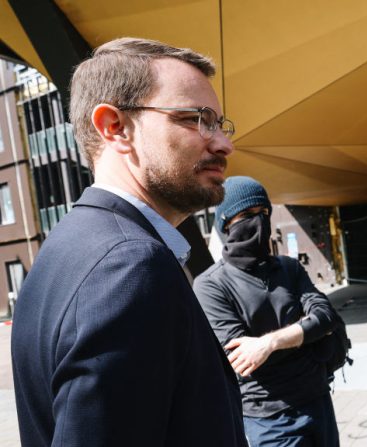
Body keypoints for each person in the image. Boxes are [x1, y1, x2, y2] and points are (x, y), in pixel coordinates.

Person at [11, 38, 246, 446]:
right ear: (115, 127)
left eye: (219, 124)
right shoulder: (129, 268)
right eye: (195, 119)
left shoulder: (69, 246)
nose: (224, 143)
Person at [194, 176, 342, 447]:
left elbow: (326, 316)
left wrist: (268, 343)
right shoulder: (211, 284)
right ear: (226, 223)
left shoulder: (288, 268)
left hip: (317, 399)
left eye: (264, 212)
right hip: (270, 417)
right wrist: (305, 334)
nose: (259, 220)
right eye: (248, 214)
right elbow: (242, 359)